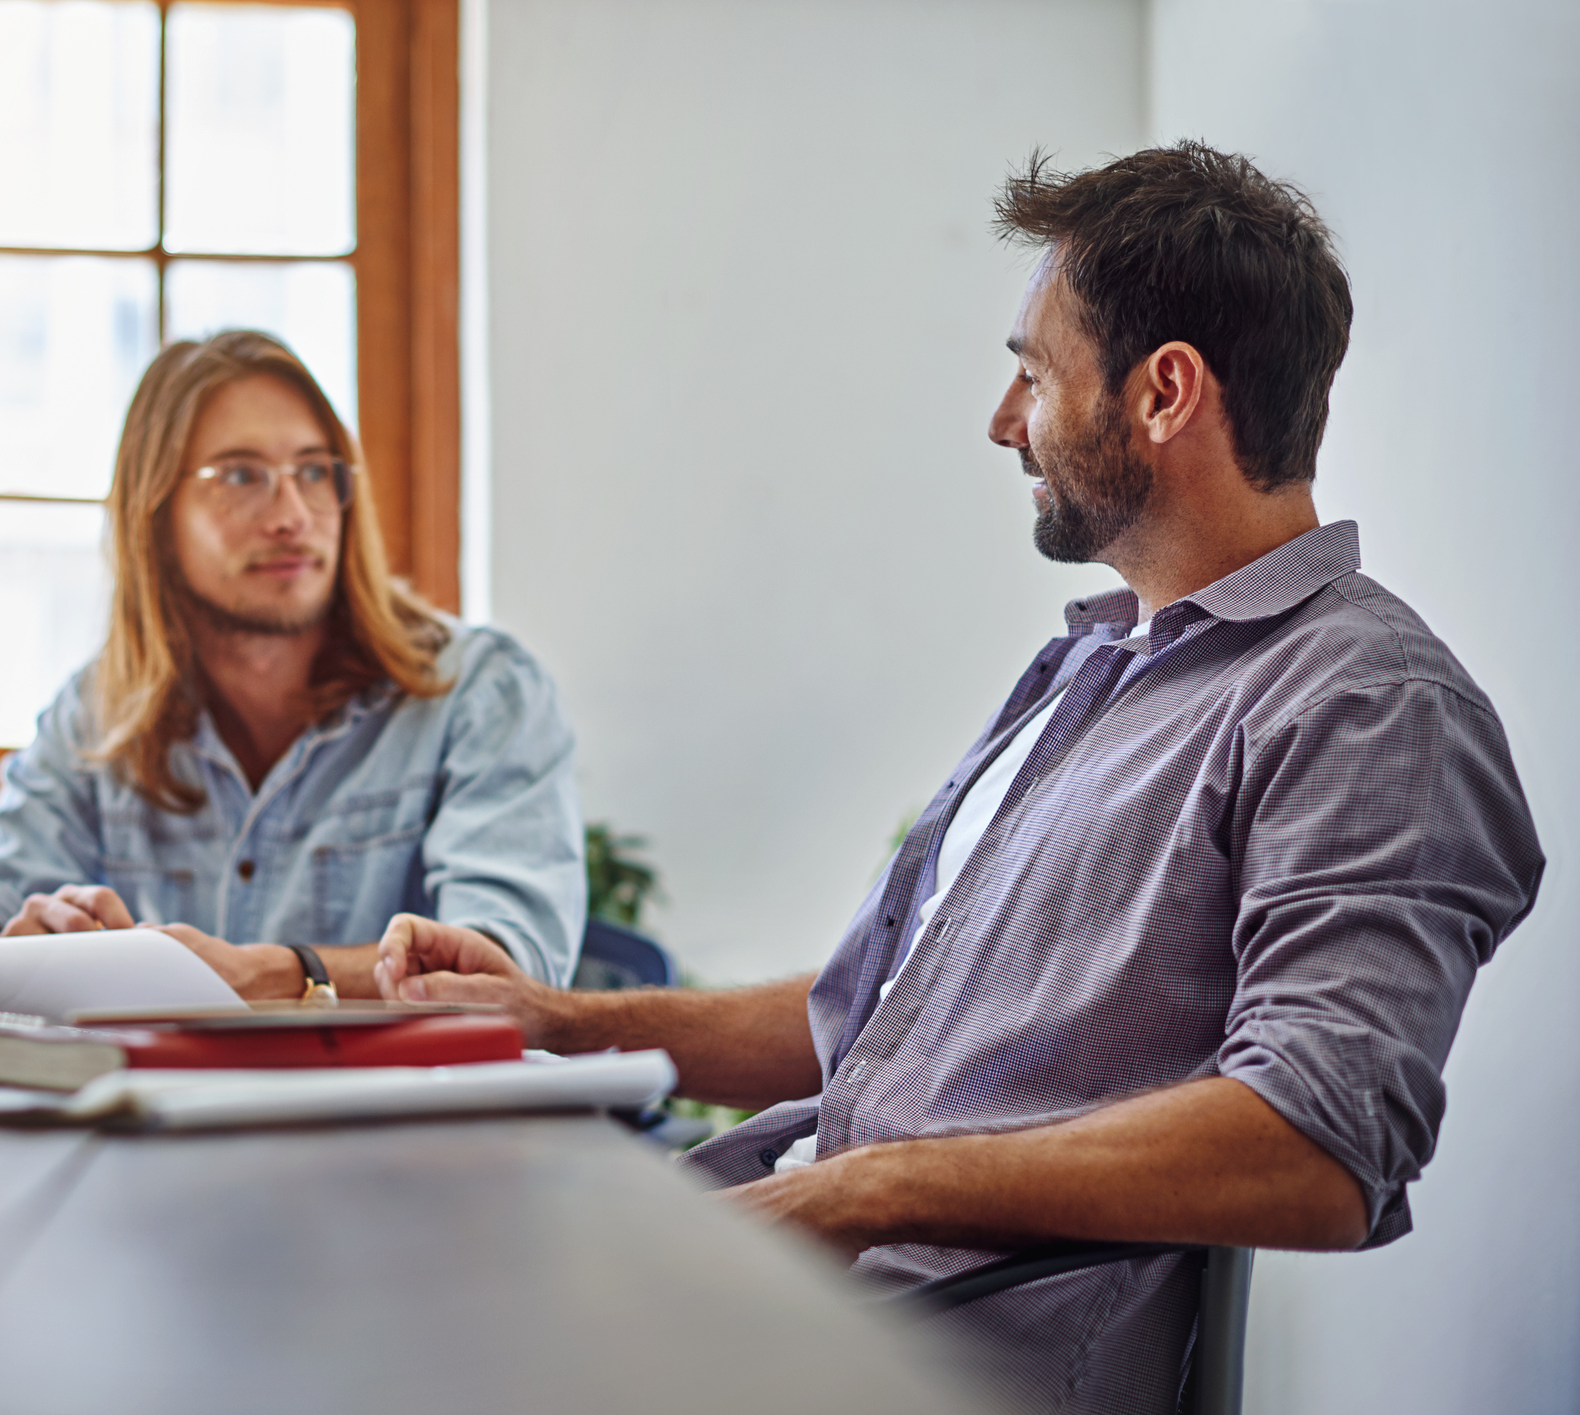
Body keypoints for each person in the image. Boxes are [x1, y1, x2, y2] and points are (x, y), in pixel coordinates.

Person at [373, 144, 1543, 1412]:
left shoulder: (1367, 708)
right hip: (783, 1287)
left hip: (921, 1354)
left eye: (1031, 372)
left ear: (1162, 394)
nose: (1002, 419)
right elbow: (866, 1024)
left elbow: (1314, 1145)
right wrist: (558, 1018)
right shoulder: (1097, 665)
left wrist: (870, 1186)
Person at [0, 330, 585, 999]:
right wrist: (2, 964)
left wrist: (275, 974)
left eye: (315, 472)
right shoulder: (97, 716)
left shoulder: (481, 693)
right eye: (241, 476)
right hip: (157, 1109)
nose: (292, 515)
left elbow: (505, 973)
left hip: (399, 1112)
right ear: (156, 514)